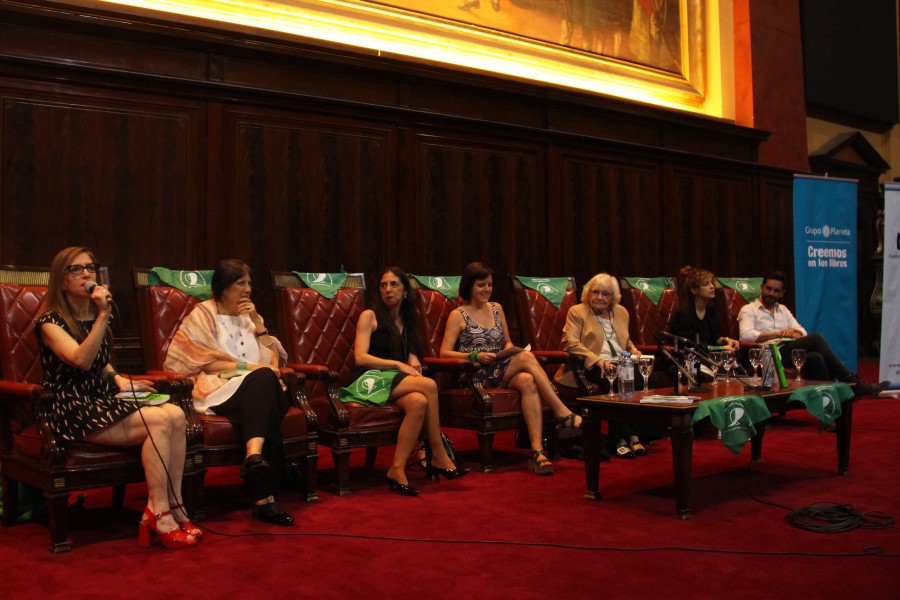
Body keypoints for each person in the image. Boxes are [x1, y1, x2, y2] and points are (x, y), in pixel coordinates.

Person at [35, 247, 197, 549]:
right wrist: (104, 316)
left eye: (91, 268)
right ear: (61, 280)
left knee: (174, 413)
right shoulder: (50, 321)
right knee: (159, 423)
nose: (87, 274)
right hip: (70, 407)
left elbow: (101, 363)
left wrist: (119, 379)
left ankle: (176, 507)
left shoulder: (92, 316)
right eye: (76, 269)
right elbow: (82, 359)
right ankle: (157, 512)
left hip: (100, 399)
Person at [165, 259, 295, 526]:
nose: (247, 289)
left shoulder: (249, 318)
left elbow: (273, 357)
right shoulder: (203, 315)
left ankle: (256, 465)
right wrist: (248, 368)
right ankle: (265, 478)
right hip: (219, 386)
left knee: (265, 386)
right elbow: (201, 360)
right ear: (223, 288)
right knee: (267, 386)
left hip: (255, 387)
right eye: (240, 284)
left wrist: (258, 322)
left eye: (249, 283)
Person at [440, 262, 582, 475]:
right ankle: (561, 410)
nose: (487, 289)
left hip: (500, 365)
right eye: (481, 285)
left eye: (489, 285)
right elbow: (444, 353)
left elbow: (506, 342)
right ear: (469, 286)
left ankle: (537, 452)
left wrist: (507, 350)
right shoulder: (458, 315)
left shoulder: (497, 308)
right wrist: (475, 355)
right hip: (475, 374)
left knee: (526, 380)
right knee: (525, 358)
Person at [339, 267, 469, 496]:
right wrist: (398, 364)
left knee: (419, 402)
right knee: (428, 385)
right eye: (383, 285)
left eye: (394, 285)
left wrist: (412, 356)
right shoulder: (369, 315)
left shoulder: (408, 320)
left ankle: (397, 469)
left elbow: (411, 352)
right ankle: (438, 452)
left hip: (391, 381)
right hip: (367, 379)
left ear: (405, 290)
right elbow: (360, 357)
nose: (388, 290)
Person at [737, 270, 889, 396]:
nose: (771, 293)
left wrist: (794, 331)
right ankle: (853, 382)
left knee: (815, 358)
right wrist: (777, 334)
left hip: (788, 352)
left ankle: (831, 411)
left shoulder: (782, 309)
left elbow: (803, 332)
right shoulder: (749, 310)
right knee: (815, 339)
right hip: (769, 355)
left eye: (776, 290)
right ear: (762, 287)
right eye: (768, 288)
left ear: (782, 293)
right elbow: (746, 335)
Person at [555, 273, 655, 458]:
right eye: (596, 292)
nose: (600, 297)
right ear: (588, 293)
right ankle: (619, 439)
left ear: (613, 297)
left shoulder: (622, 312)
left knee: (640, 379)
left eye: (606, 294)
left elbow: (625, 341)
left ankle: (633, 435)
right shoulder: (577, 311)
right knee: (618, 380)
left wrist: (634, 351)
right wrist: (597, 360)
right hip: (589, 367)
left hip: (621, 363)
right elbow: (570, 342)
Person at [669, 265, 740, 352]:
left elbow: (716, 339)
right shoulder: (683, 313)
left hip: (710, 358)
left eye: (712, 283)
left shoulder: (711, 308)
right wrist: (721, 348)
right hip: (689, 358)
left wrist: (727, 340)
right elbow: (694, 346)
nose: (712, 286)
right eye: (706, 284)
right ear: (694, 290)